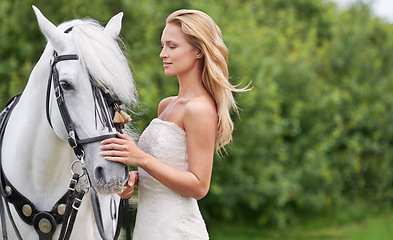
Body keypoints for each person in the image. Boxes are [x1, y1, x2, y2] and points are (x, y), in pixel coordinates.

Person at [100, 9, 247, 239]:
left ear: (198, 51)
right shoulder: (166, 105)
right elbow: (168, 169)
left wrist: (140, 158)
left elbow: (199, 186)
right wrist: (137, 179)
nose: (162, 54)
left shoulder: (199, 108)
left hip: (177, 231)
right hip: (148, 228)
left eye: (172, 46)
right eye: (162, 45)